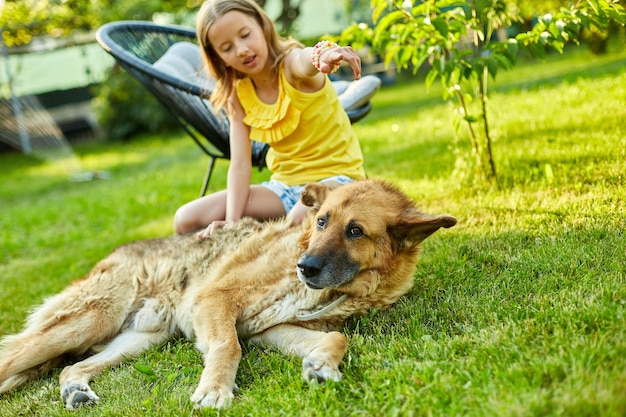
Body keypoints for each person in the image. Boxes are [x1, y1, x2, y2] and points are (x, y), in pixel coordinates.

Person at [173, 0, 366, 239]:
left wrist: (323, 54)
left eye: (245, 35)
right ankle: (249, 241)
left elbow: (305, 59)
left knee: (297, 219)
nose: (241, 49)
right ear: (218, 57)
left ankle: (270, 239)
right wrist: (233, 223)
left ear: (263, 27)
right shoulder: (239, 93)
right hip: (283, 189)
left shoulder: (291, 66)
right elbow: (240, 164)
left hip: (338, 180)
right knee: (186, 218)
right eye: (227, 48)